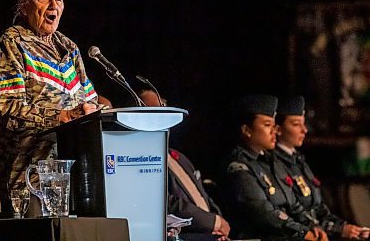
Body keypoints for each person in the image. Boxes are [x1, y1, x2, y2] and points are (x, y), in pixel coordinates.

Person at [0, 0, 99, 214]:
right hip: (30, 183)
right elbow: (8, 111)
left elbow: (90, 101)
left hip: (77, 180)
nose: (53, 5)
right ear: (24, 6)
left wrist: (95, 110)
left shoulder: (69, 48)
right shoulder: (13, 43)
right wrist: (62, 117)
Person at [221, 94, 328, 241]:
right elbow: (263, 213)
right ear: (246, 130)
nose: (273, 131)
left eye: (273, 125)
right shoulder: (238, 167)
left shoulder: (269, 162)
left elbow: (293, 205)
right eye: (266, 125)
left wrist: (311, 226)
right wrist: (302, 232)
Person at [139, 89, 231, 240]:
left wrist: (218, 221)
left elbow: (202, 196)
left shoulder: (178, 157)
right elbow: (163, 201)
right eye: (154, 111)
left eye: (164, 109)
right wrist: (213, 222)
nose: (161, 116)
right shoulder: (139, 159)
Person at [275, 96, 369, 240]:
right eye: (295, 124)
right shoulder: (274, 163)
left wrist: (345, 227)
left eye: (303, 124)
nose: (304, 130)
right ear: (278, 129)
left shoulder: (297, 160)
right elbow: (292, 211)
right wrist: (337, 229)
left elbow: (318, 208)